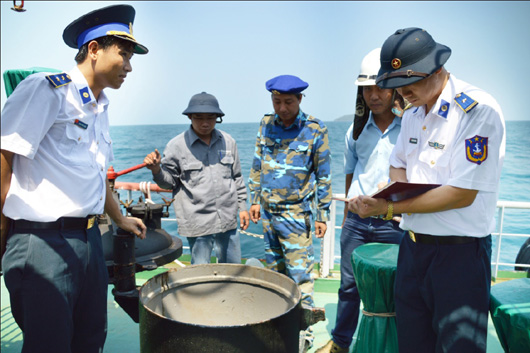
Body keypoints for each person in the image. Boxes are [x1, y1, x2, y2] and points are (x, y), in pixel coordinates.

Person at [0, 5, 148, 353]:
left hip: (89, 241)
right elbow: (4, 157)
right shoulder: (46, 89)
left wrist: (119, 217)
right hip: (43, 244)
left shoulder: (101, 106)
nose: (129, 66)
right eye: (123, 54)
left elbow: (96, 175)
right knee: (48, 345)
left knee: (90, 340)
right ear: (94, 50)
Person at [349, 27, 505, 353]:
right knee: (412, 344)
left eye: (408, 82)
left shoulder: (477, 111)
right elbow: (398, 164)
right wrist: (390, 192)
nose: (401, 92)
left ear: (435, 70)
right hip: (413, 250)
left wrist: (390, 208)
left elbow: (462, 193)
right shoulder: (412, 113)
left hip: (459, 257)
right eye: (396, 85)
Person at [316, 48, 406, 353]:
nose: (373, 95)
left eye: (379, 87)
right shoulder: (354, 132)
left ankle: (395, 344)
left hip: (393, 221)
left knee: (396, 288)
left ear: (394, 88)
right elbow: (350, 173)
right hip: (356, 222)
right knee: (349, 286)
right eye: (366, 88)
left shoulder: (410, 129)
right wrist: (345, 217)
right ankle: (341, 342)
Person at [248, 74, 332, 349]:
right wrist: (254, 200)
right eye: (276, 101)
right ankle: (278, 325)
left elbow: (323, 176)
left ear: (299, 99)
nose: (282, 108)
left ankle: (304, 332)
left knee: (300, 277)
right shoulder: (265, 124)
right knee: (275, 275)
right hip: (269, 216)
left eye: (288, 102)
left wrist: (322, 214)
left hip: (297, 216)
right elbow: (258, 163)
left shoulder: (315, 129)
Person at [143, 92, 249, 265]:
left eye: (210, 117)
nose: (205, 123)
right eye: (199, 117)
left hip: (228, 219)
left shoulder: (228, 142)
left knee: (232, 270)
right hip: (197, 222)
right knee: (200, 275)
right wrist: (156, 170)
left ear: (218, 118)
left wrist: (243, 207)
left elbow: (237, 177)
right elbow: (169, 183)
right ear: (190, 117)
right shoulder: (176, 146)